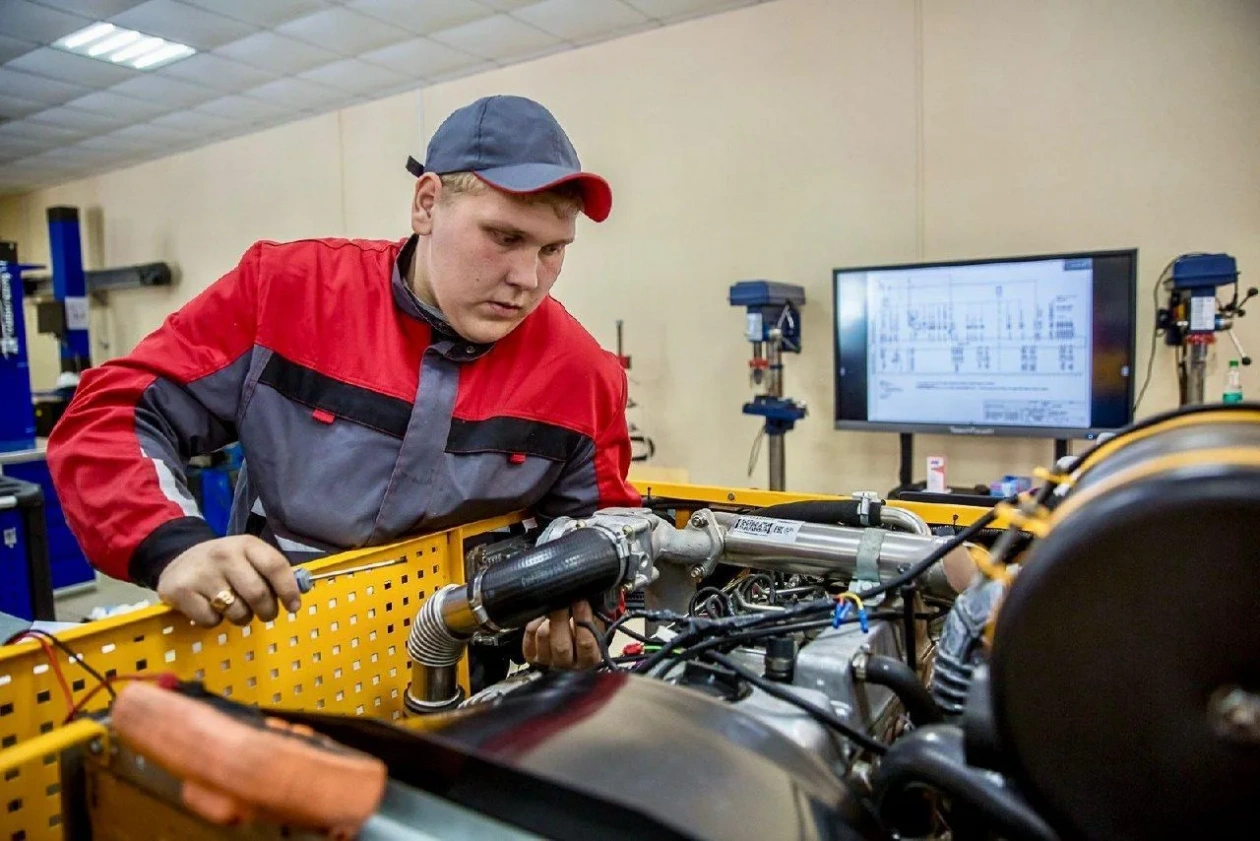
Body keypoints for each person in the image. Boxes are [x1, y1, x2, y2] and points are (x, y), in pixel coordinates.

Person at [47, 95, 639, 671]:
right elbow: (112, 413)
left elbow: (606, 538)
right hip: (274, 653)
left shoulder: (582, 375)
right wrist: (173, 545)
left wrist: (585, 619)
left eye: (552, 249)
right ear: (427, 205)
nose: (527, 278)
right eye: (504, 237)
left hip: (469, 676)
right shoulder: (285, 295)